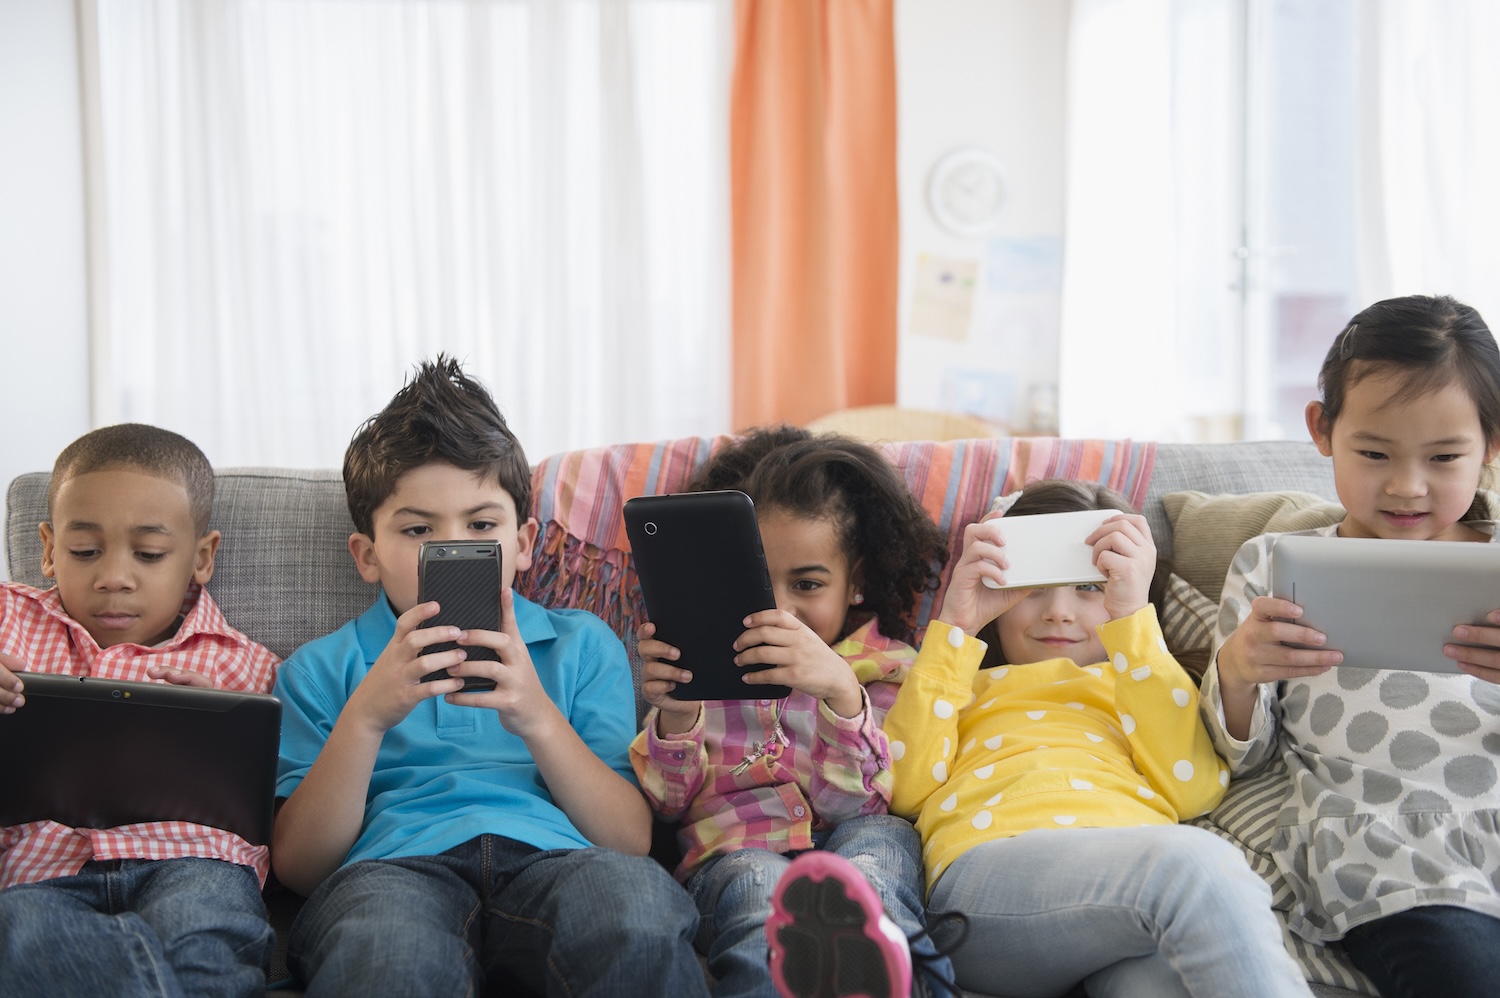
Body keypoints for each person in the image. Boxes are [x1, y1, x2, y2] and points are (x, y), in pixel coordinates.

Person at [271, 356, 707, 997]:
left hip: (562, 861)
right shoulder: (317, 670)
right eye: (419, 530)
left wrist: (535, 714)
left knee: (634, 917)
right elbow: (303, 869)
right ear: (366, 556)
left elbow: (627, 839)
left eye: (481, 526)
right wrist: (365, 717)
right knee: (384, 954)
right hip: (393, 870)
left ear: (524, 542)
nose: (454, 548)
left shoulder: (581, 645)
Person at [884, 479, 1313, 997]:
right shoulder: (957, 682)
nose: (1058, 611)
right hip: (987, 889)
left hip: (1129, 908)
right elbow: (901, 789)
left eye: (1089, 588)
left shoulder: (1142, 680)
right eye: (1034, 586)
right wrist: (955, 626)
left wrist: (1133, 624)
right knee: (1198, 863)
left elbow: (1194, 786)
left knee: (1162, 980)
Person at [1205, 294, 1500, 998]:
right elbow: (1238, 752)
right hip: (1390, 847)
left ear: (1492, 446)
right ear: (1322, 429)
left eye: (1445, 457)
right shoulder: (1272, 563)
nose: (1406, 486)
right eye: (1374, 453)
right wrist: (1241, 671)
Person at [630, 426, 959, 998]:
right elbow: (665, 805)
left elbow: (865, 802)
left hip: (851, 838)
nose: (779, 609)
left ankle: (897, 974)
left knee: (881, 842)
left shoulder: (890, 668)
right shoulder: (700, 666)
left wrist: (839, 692)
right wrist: (677, 714)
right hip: (735, 853)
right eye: (756, 582)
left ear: (855, 582)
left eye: (807, 583)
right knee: (758, 885)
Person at [0, 423, 280, 998]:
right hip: (42, 872)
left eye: (149, 554)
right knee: (22, 936)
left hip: (195, 865)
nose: (114, 578)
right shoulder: (7, 620)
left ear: (202, 558)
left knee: (205, 947)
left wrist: (217, 728)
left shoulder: (250, 666)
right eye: (84, 551)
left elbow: (283, 807)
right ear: (50, 549)